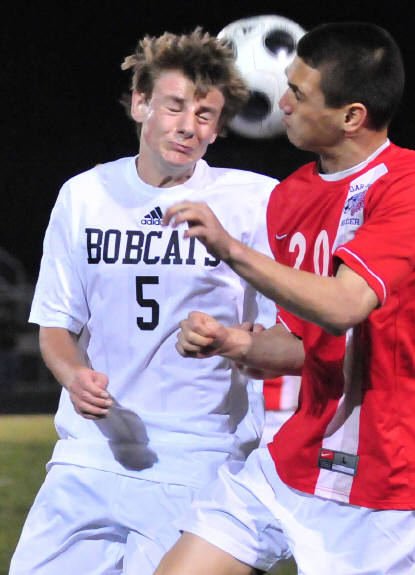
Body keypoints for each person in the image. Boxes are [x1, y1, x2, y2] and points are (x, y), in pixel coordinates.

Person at [154, 21, 415, 575]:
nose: (283, 105)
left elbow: (344, 307)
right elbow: (304, 343)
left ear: (352, 117)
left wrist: (230, 248)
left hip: (390, 480)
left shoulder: (414, 184)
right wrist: (233, 342)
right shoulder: (292, 197)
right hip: (295, 456)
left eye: (298, 92)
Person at [9, 28, 281, 575]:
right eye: (174, 106)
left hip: (199, 456)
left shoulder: (255, 201)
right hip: (89, 452)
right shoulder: (84, 195)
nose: (187, 126)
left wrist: (233, 341)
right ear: (140, 104)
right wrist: (72, 376)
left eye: (204, 114)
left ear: (219, 129)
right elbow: (57, 324)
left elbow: (286, 333)